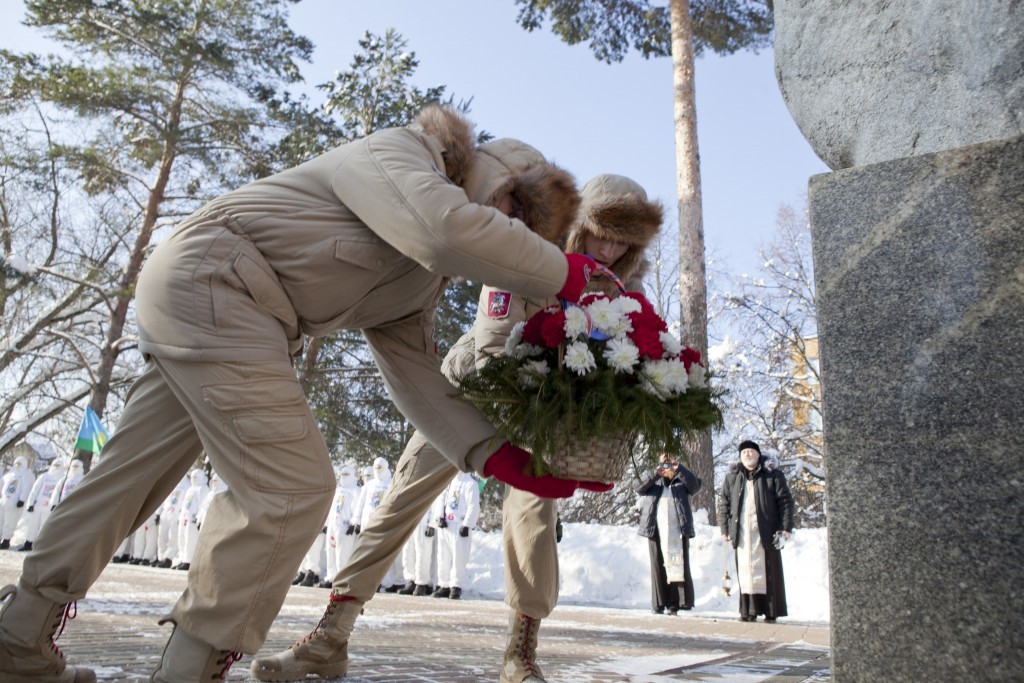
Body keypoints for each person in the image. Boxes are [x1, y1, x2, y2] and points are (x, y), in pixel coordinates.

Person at [0, 104, 601, 683]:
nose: (503, 235)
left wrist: (496, 457)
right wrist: (565, 273)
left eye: (521, 232)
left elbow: (418, 376)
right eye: (507, 214)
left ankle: (17, 639)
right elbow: (443, 229)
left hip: (215, 302)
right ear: (498, 176)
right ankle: (189, 670)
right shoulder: (402, 154)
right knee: (292, 487)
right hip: (219, 281)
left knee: (128, 476)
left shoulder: (422, 281)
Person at [249, 172, 662, 682]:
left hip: (547, 409)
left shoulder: (624, 291)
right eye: (604, 231)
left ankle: (520, 651)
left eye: (626, 240)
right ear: (580, 226)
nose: (612, 247)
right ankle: (330, 634)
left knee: (533, 512)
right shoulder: (528, 249)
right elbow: (493, 342)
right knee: (403, 497)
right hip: (470, 388)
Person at [718, 440, 795, 623]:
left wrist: (785, 528)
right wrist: (725, 528)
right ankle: (748, 611)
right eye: (744, 452)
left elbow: (785, 501)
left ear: (759, 455)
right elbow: (724, 503)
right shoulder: (733, 477)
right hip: (742, 531)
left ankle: (771, 611)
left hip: (767, 531)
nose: (748, 455)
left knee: (768, 572)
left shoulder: (773, 475)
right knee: (746, 572)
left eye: (751, 451)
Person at [636, 453, 702, 615]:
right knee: (658, 565)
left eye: (669, 464)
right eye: (664, 464)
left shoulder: (681, 481)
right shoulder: (654, 480)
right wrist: (654, 474)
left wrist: (679, 469)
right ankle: (658, 603)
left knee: (677, 564)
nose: (667, 467)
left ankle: (675, 603)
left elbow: (696, 487)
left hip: (678, 529)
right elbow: (639, 488)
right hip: (655, 528)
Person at [430, 471, 481, 600]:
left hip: (459, 525)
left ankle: (456, 586)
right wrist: (439, 517)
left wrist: (467, 524)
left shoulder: (471, 484)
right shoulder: (449, 482)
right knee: (443, 556)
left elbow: (473, 506)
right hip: (446, 525)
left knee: (459, 557)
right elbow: (441, 499)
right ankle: (444, 584)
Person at [14, 460, 65, 553]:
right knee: (33, 526)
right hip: (38, 505)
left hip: (49, 507)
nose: (56, 467)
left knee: (45, 527)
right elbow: (35, 489)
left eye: (58, 465)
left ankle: (41, 546)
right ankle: (28, 544)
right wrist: (30, 503)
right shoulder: (44, 476)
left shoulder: (63, 478)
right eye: (55, 465)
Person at [324, 465, 360, 589]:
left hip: (345, 526)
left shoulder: (355, 490)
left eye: (347, 475)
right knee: (331, 551)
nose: (344, 477)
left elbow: (357, 508)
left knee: (343, 553)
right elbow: (331, 507)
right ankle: (331, 576)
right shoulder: (338, 490)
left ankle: (341, 578)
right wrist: (327, 523)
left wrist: (354, 523)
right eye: (342, 475)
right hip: (334, 524)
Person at [174, 469, 210, 571]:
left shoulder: (203, 488)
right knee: (182, 539)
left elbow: (202, 505)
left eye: (195, 477)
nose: (193, 479)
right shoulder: (190, 489)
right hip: (184, 518)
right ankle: (182, 558)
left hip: (193, 520)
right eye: (192, 477)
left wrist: (197, 517)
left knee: (191, 540)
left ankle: (189, 561)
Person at [397, 507, 436, 596]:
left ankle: (421, 583)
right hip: (410, 520)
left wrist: (432, 524)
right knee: (408, 552)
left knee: (422, 554)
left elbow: (436, 504)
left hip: (424, 521)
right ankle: (411, 581)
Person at [0, 456, 35, 550]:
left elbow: (27, 487)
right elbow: (2, 483)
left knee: (9, 521)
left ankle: (6, 540)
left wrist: (22, 499)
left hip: (14, 502)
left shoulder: (27, 474)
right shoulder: (10, 474)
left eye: (20, 463)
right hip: (3, 500)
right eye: (16, 463)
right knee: (1, 520)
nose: (17, 465)